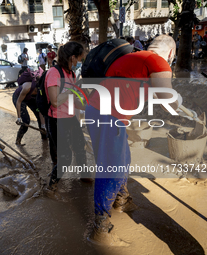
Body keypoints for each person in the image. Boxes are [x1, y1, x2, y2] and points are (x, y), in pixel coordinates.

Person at [85, 35, 181, 245]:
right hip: (109, 115)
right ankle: (100, 228)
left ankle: (121, 200)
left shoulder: (133, 58)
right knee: (111, 167)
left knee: (123, 158)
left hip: (94, 110)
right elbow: (168, 99)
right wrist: (185, 109)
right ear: (171, 53)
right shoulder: (157, 61)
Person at [44, 42, 86, 190]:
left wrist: (92, 106)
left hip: (70, 118)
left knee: (81, 147)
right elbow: (55, 102)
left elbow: (73, 100)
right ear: (73, 57)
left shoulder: (71, 74)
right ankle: (51, 187)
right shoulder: (54, 73)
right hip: (57, 120)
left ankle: (84, 176)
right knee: (66, 158)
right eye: (79, 58)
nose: (79, 62)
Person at [13, 68, 46, 145]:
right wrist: (18, 117)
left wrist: (43, 125)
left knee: (39, 115)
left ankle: (44, 136)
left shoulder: (41, 92)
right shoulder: (27, 87)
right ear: (35, 89)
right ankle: (18, 141)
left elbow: (40, 109)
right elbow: (19, 102)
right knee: (26, 120)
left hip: (30, 98)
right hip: (18, 98)